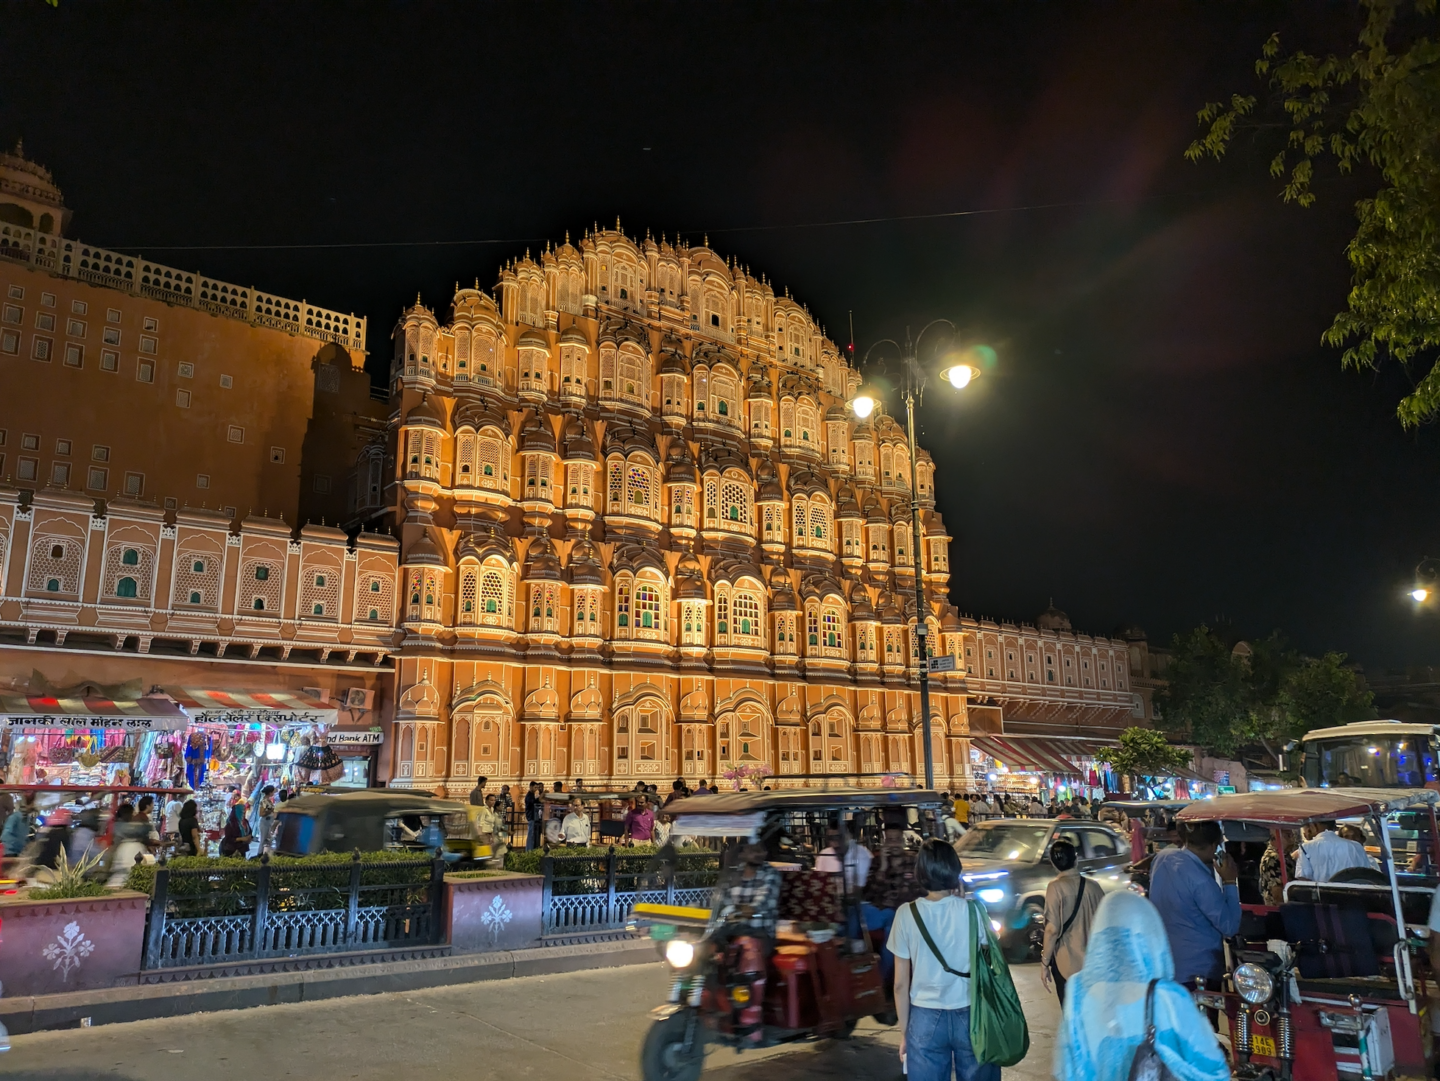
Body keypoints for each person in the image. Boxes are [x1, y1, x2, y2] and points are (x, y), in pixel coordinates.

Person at [1054, 890, 1230, 1081]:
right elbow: (1214, 1071)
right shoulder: (1168, 998)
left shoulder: (1076, 993)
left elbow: (1065, 1070)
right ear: (1151, 937)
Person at [888, 838, 995, 1081]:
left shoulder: (906, 914)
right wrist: (962, 900)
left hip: (925, 1017)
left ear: (921, 872)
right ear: (954, 870)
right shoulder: (975, 911)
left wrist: (906, 1033)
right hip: (971, 1013)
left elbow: (900, 984)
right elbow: (989, 961)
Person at [1147, 819, 1241, 989]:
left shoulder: (1162, 859)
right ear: (1214, 846)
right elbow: (1230, 926)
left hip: (1166, 965)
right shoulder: (1201, 881)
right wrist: (1229, 881)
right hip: (1199, 972)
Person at [1040, 840, 1103, 1001]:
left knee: (1071, 1016)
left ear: (1053, 864)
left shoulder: (1055, 888)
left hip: (1067, 965)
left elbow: (1052, 930)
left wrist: (1045, 962)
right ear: (1076, 859)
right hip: (1094, 965)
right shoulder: (1094, 887)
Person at [1295, 820, 1376, 882]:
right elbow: (1366, 875)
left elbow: (1304, 878)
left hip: (1324, 899)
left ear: (1313, 826)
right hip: (1356, 898)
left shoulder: (1306, 848)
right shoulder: (1357, 846)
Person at [816, 820, 874, 893]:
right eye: (830, 838)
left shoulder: (861, 854)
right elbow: (819, 882)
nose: (834, 842)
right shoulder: (824, 854)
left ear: (848, 836)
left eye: (838, 837)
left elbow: (859, 888)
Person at [220, 791, 253, 857]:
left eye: (244, 811)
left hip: (242, 849)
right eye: (241, 812)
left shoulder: (245, 822)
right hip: (232, 850)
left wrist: (250, 838)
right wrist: (242, 839)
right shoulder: (231, 824)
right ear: (236, 812)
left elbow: (249, 833)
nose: (243, 813)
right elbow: (228, 839)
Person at [2, 795, 33, 861]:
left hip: (20, 854)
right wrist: (19, 845)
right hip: (11, 854)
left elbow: (24, 837)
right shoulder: (14, 818)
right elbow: (5, 836)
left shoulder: (27, 819)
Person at [256, 786, 278, 853]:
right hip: (265, 821)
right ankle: (259, 854)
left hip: (269, 822)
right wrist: (270, 810)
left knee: (268, 840)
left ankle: (265, 854)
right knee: (263, 841)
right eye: (273, 792)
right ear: (270, 792)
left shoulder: (268, 800)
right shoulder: (264, 801)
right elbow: (261, 813)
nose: (274, 793)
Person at [524, 781, 543, 850]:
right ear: (531, 787)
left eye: (537, 788)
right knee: (531, 835)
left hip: (534, 817)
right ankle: (529, 850)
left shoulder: (532, 795)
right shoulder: (529, 795)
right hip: (531, 817)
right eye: (535, 787)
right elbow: (533, 803)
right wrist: (539, 798)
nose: (536, 789)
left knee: (534, 835)